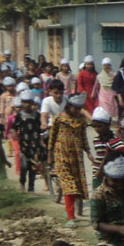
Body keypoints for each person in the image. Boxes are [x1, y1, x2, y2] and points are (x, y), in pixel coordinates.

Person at [48, 93, 94, 227]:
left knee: (76, 184)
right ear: (69, 106)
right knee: (70, 185)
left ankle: (70, 210)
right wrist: (50, 154)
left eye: (80, 108)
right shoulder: (59, 119)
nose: (77, 110)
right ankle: (71, 218)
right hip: (61, 155)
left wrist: (88, 151)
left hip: (76, 156)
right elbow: (52, 137)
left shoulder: (81, 119)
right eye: (75, 108)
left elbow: (83, 136)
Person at [13, 90, 44, 193]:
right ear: (22, 102)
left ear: (32, 103)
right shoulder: (20, 115)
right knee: (24, 165)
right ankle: (22, 183)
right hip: (24, 144)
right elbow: (14, 127)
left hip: (35, 145)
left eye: (29, 102)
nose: (27, 104)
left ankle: (31, 188)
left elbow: (41, 128)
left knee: (33, 167)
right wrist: (14, 134)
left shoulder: (37, 115)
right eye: (25, 102)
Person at [91, 107, 115, 190]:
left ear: (108, 125)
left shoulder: (114, 140)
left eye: (100, 126)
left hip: (110, 173)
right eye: (95, 126)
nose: (97, 129)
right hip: (97, 172)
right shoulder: (95, 140)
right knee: (97, 194)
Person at [6, 97, 22, 175]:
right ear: (14, 108)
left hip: (23, 136)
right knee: (17, 153)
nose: (18, 108)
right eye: (17, 107)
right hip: (14, 137)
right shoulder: (11, 117)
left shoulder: (24, 116)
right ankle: (18, 169)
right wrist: (6, 135)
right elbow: (8, 127)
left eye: (20, 107)